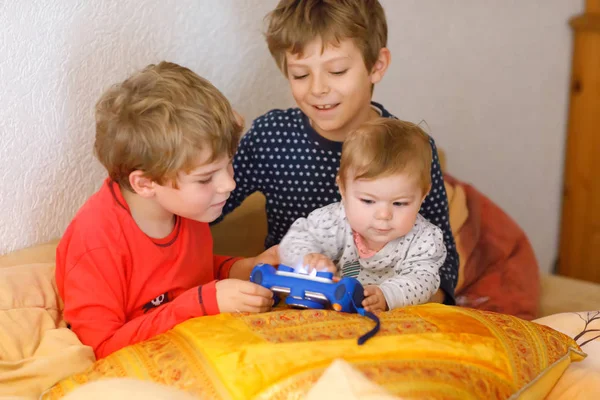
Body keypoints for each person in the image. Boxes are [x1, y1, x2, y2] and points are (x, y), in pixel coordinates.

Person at [218, 0, 458, 304]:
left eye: (337, 70)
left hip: (386, 311)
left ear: (376, 66)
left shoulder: (407, 150)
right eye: (301, 75)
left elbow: (442, 260)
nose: (318, 88)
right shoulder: (271, 138)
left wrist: (400, 302)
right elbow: (200, 210)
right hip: (293, 305)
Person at [56, 62, 277, 359]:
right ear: (146, 184)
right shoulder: (97, 243)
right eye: (206, 177)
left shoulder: (188, 207)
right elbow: (101, 348)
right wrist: (200, 303)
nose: (229, 183)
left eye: (228, 163)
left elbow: (187, 275)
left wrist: (243, 269)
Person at [279, 118, 446, 312]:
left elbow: (423, 280)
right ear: (343, 188)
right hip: (331, 310)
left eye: (400, 203)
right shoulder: (332, 221)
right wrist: (308, 258)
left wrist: (387, 295)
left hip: (389, 320)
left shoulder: (424, 239)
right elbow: (294, 241)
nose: (384, 215)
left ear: (423, 195)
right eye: (368, 201)